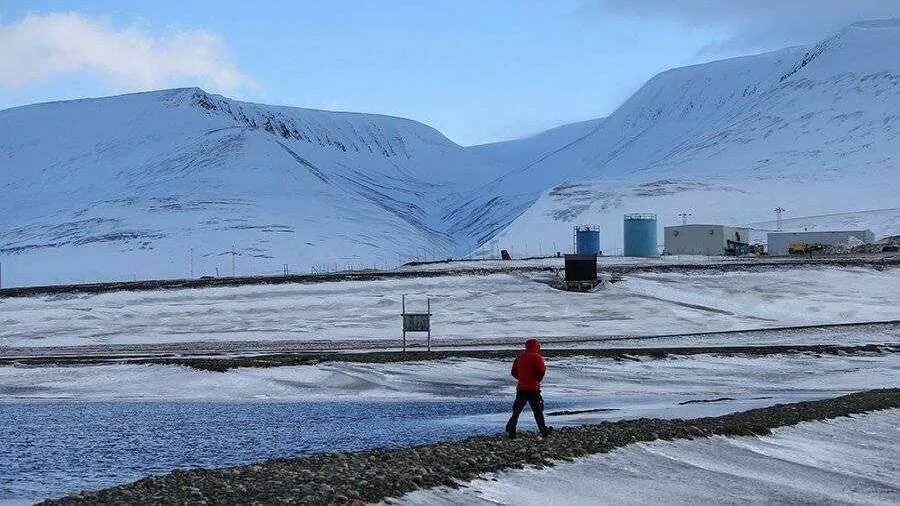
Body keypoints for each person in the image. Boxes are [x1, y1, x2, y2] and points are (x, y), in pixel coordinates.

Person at [505, 338, 553, 439]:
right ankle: (543, 430)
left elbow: (513, 372)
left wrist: (521, 379)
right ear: (537, 346)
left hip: (521, 388)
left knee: (517, 410)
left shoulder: (520, 357)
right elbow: (541, 371)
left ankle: (511, 430)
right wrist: (537, 380)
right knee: (537, 411)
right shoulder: (537, 357)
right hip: (533, 388)